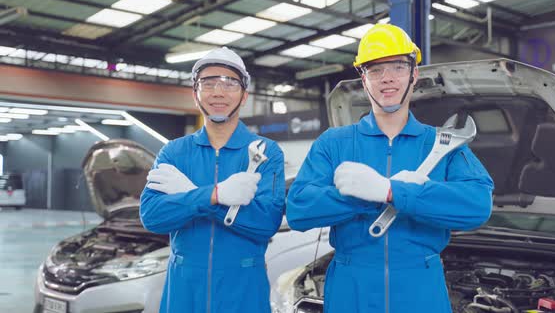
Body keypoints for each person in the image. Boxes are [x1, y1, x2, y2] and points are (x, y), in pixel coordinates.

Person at [286, 24, 494, 312]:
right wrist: (357, 195)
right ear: (363, 79)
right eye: (375, 69)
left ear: (414, 74)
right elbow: (298, 210)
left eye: (397, 66)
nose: (387, 79)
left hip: (420, 286)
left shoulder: (441, 143)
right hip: (351, 286)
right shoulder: (334, 143)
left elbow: (477, 205)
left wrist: (393, 191)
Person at [140, 46, 285, 313]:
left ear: (244, 96)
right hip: (184, 288)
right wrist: (214, 195)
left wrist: (190, 195)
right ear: (195, 94)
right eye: (208, 83)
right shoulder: (173, 152)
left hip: (243, 287)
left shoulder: (265, 152)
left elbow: (266, 223)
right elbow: (152, 216)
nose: (218, 92)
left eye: (230, 83)